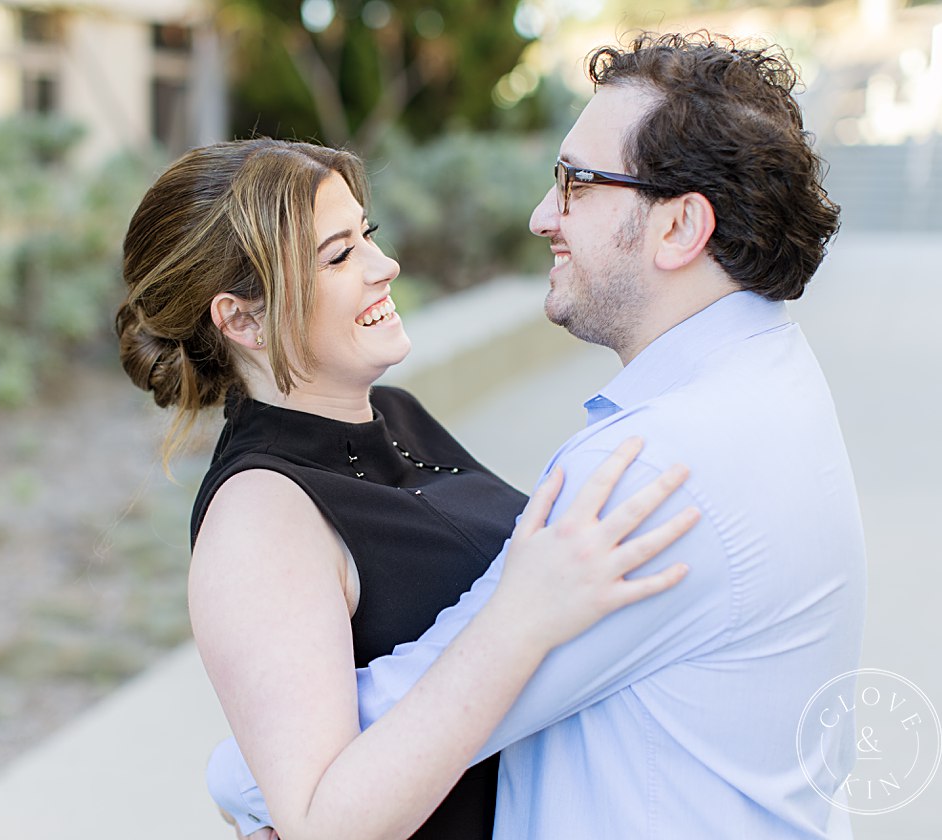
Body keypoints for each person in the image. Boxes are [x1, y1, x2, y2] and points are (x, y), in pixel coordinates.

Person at [210, 31, 867, 839]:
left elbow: (356, 762)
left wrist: (243, 773)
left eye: (575, 184)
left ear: (679, 228)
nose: (540, 215)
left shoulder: (653, 470)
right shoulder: (771, 377)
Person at [116, 138, 702, 840]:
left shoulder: (397, 415)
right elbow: (325, 824)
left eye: (368, 236)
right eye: (338, 256)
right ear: (242, 320)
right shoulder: (260, 517)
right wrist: (523, 616)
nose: (384, 266)